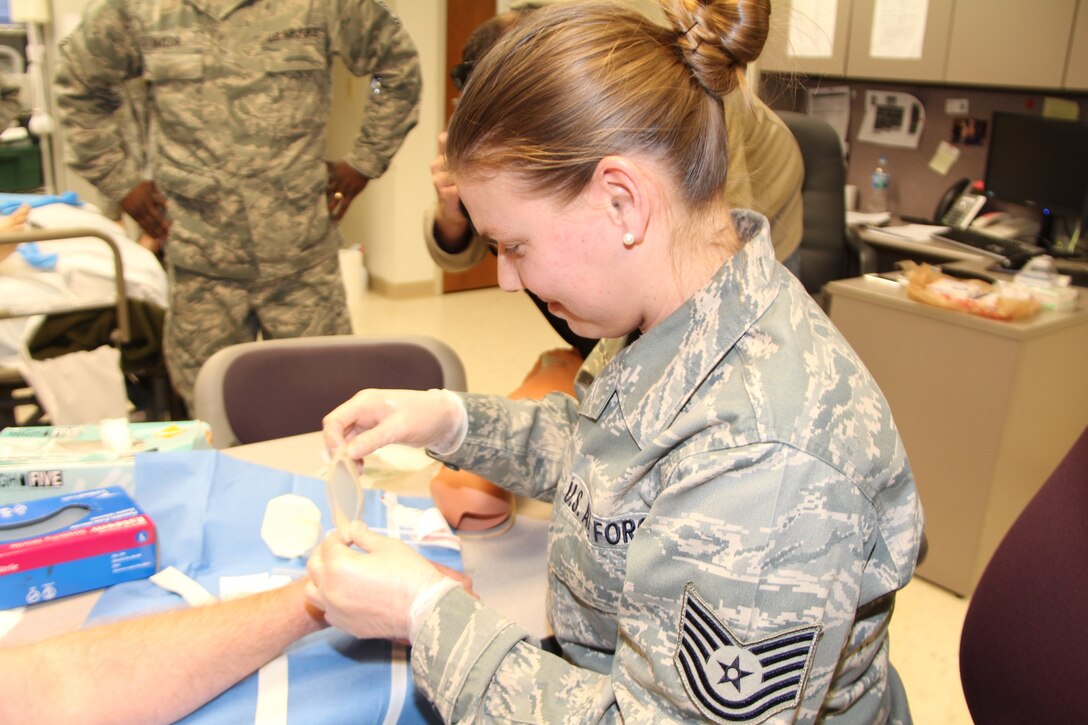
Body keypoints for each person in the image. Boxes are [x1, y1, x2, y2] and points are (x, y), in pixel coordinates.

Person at [312, 1, 923, 723]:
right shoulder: (671, 307)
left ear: (621, 203)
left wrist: (425, 613)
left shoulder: (768, 460)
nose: (505, 278)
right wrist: (447, 420)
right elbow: (604, 455)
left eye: (515, 245)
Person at [53, 0, 423, 409]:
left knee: (325, 409)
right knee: (213, 414)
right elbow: (80, 85)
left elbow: (394, 69)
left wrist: (364, 160)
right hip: (201, 266)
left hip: (301, 262)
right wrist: (119, 180)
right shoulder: (138, 8)